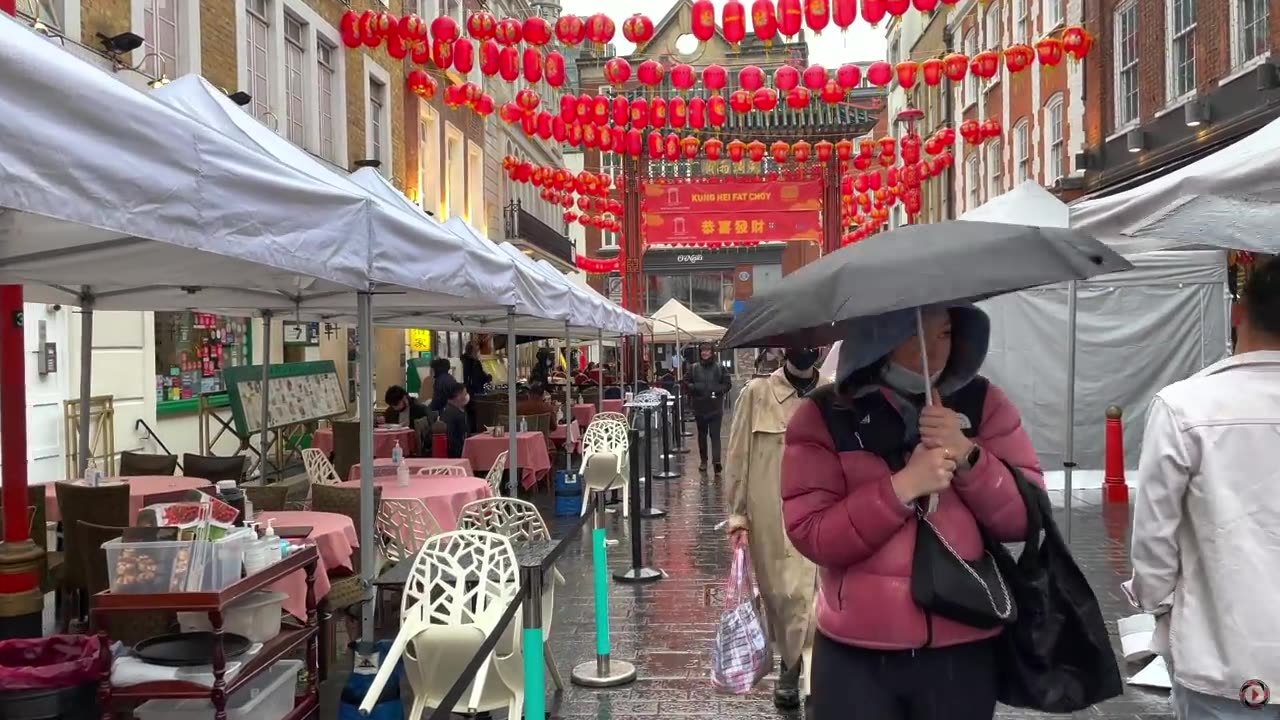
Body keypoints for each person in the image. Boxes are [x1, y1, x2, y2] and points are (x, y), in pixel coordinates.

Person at [782, 304, 1042, 720]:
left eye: (944, 334)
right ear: (878, 337)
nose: (934, 352)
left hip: (963, 641)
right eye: (915, 335)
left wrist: (969, 456)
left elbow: (1024, 518)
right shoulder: (824, 416)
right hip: (856, 653)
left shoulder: (983, 404)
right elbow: (812, 533)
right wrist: (902, 488)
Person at [1125, 256, 1280, 719]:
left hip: (1223, 659)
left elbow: (1153, 542)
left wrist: (1158, 607)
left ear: (1238, 313)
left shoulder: (1183, 407)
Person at [724, 347, 825, 709]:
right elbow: (737, 456)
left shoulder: (831, 393)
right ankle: (791, 659)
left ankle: (796, 667)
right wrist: (737, 516)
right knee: (780, 597)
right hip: (770, 515)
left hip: (819, 511)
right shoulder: (757, 394)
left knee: (809, 598)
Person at [687, 341, 732, 474]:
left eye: (707, 350)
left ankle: (717, 461)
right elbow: (686, 382)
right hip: (699, 407)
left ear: (712, 352)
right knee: (702, 436)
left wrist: (718, 390)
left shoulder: (720, 368)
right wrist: (694, 388)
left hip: (715, 408)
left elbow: (727, 384)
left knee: (715, 435)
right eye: (702, 350)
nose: (705, 353)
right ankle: (704, 461)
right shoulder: (694, 368)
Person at [461, 342, 491, 431]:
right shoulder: (474, 363)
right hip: (476, 394)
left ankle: (471, 431)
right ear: (473, 351)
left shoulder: (464, 361)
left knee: (470, 417)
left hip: (468, 393)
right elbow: (478, 377)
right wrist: (488, 377)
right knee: (477, 417)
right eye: (477, 350)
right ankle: (475, 432)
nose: (478, 352)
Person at [438, 383, 471, 459]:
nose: (467, 396)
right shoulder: (450, 414)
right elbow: (451, 441)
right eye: (465, 393)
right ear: (458, 397)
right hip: (456, 455)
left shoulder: (458, 410)